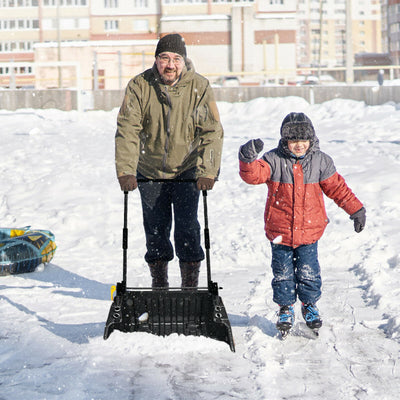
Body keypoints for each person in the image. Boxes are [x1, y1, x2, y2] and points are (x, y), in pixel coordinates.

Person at [238, 112, 366, 334]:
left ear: (312, 139)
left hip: (309, 232)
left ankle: (309, 306)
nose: (299, 145)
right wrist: (247, 159)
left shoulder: (320, 161)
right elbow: (253, 176)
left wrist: (355, 209)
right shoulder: (273, 159)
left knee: (308, 272)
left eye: (303, 140)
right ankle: (285, 308)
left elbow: (337, 188)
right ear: (285, 140)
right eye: (294, 140)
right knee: (282, 273)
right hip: (280, 231)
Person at [115, 33, 224, 289]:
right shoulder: (140, 86)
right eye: (164, 58)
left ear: (184, 61)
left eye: (176, 58)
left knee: (188, 229)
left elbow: (212, 131)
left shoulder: (199, 87)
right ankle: (159, 285)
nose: (170, 65)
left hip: (187, 171)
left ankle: (189, 287)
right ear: (156, 60)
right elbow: (127, 129)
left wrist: (207, 171)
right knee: (155, 231)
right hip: (149, 171)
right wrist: (126, 170)